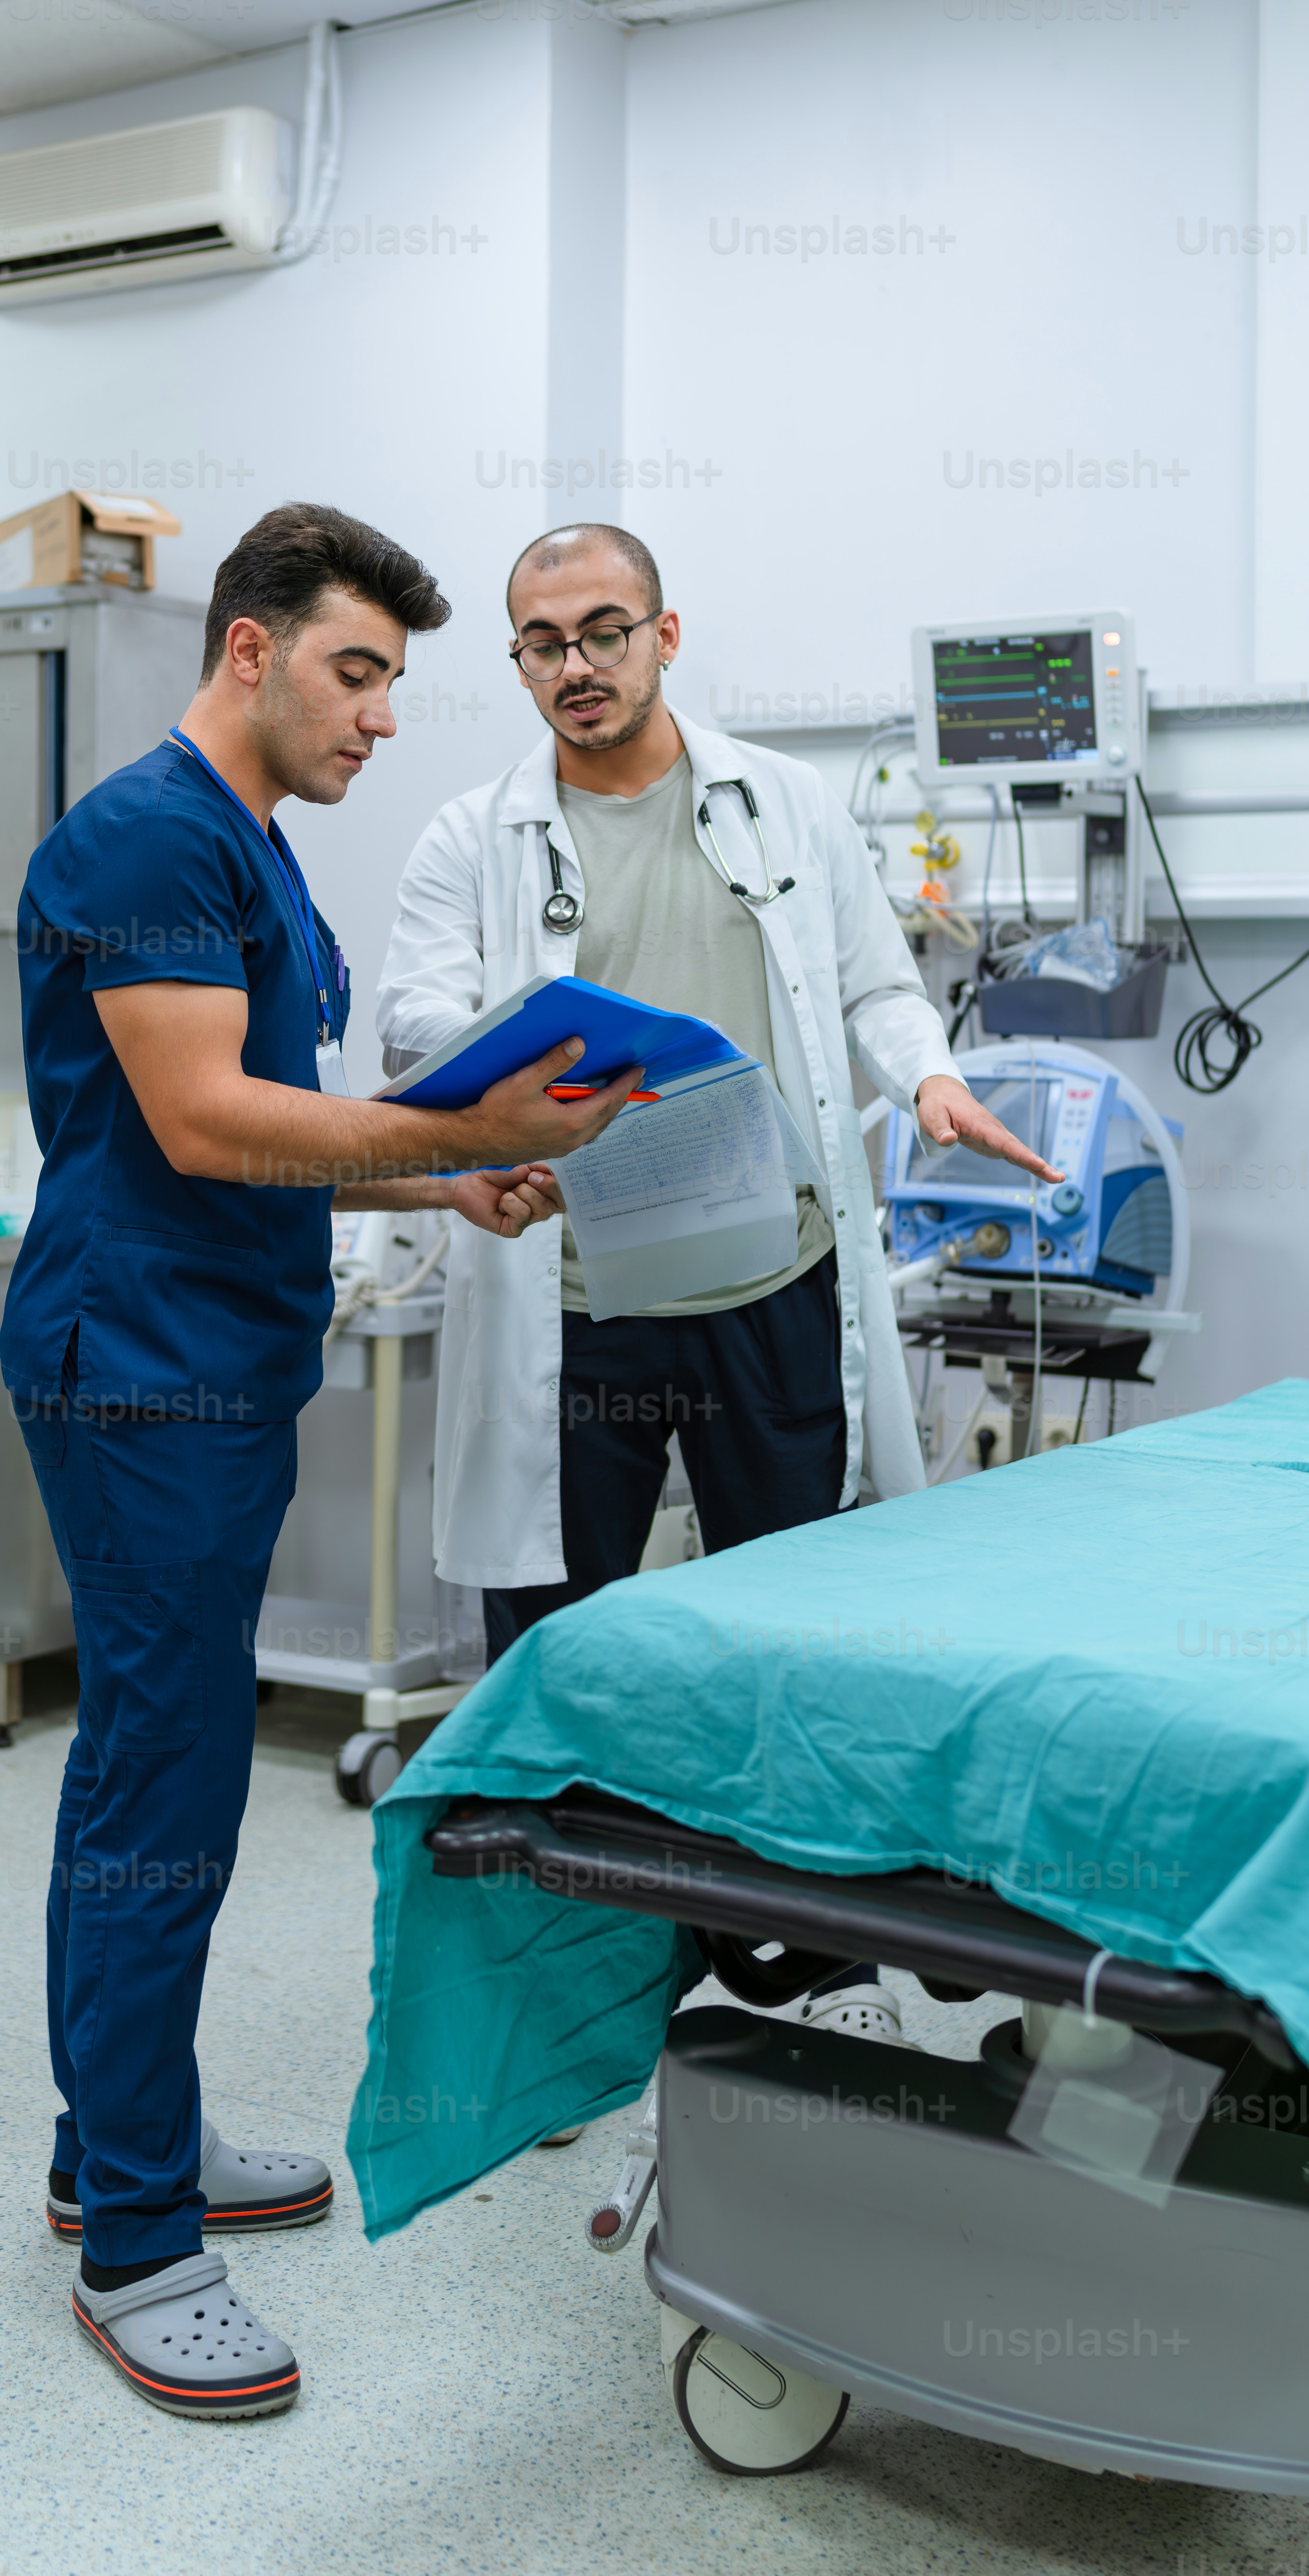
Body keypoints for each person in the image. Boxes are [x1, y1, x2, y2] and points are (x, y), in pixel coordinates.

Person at [0, 505, 637, 2424]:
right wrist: (447, 1127)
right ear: (253, 651)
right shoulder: (142, 839)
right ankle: (132, 2236)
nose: (381, 718)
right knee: (160, 1785)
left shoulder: (252, 853)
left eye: (394, 681)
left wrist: (454, 1168)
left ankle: (114, 2141)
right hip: (144, 1371)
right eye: (358, 672)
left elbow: (276, 1118)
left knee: (158, 1766)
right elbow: (199, 1124)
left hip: (217, 1362)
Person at [375, 519, 1057, 1764]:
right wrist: (514, 1035)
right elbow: (411, 1017)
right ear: (519, 664)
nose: (576, 665)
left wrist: (932, 1082)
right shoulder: (471, 836)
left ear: (664, 637)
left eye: (604, 634)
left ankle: (793, 1950)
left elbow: (877, 990)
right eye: (543, 645)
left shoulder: (784, 801)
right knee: (556, 1631)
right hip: (575, 1304)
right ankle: (580, 1926)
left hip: (768, 1281)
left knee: (793, 1613)